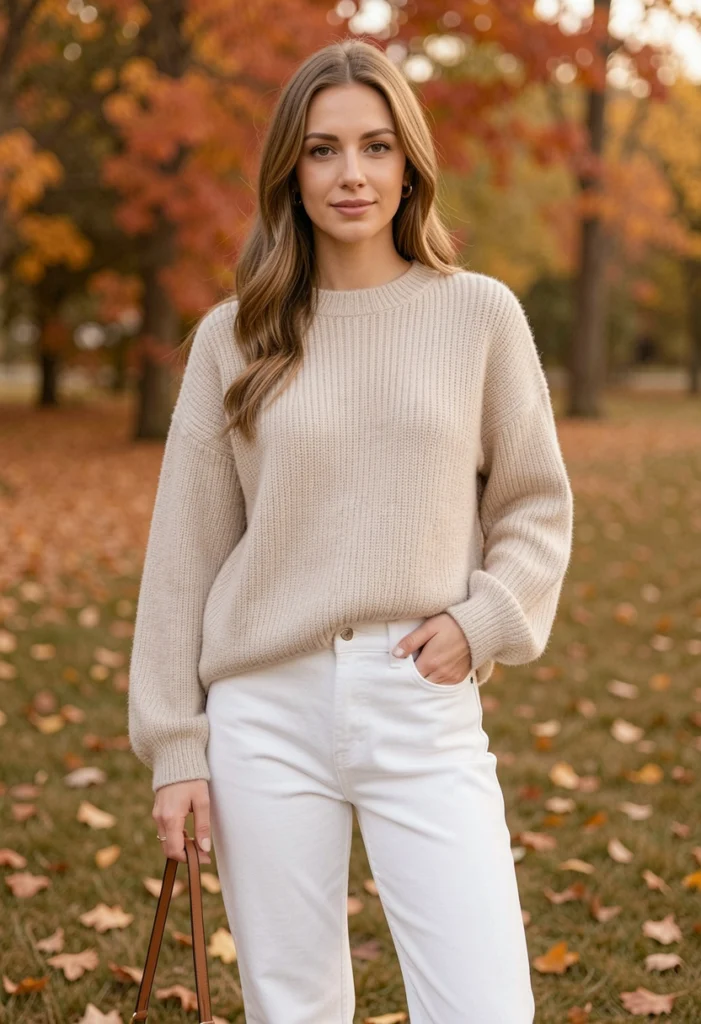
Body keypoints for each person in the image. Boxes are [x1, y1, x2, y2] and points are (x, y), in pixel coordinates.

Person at [128, 38, 574, 1024]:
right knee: (293, 1006)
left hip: (417, 694)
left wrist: (484, 619)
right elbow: (182, 555)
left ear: (409, 162)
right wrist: (176, 748)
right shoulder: (232, 337)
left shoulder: (478, 316)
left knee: (484, 1004)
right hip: (261, 711)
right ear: (290, 169)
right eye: (323, 150)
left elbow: (534, 505)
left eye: (375, 146)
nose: (351, 174)